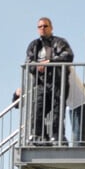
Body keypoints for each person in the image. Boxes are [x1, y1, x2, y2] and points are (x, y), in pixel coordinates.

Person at [25, 17, 73, 145]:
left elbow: (68, 56)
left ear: (51, 28)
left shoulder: (60, 42)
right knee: (38, 110)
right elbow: (28, 62)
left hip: (58, 82)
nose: (42, 29)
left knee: (58, 110)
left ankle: (57, 137)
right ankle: (40, 136)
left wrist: (50, 62)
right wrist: (37, 67)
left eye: (45, 26)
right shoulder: (34, 45)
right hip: (42, 82)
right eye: (40, 27)